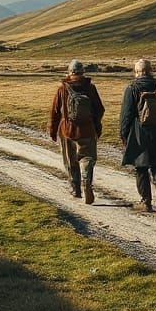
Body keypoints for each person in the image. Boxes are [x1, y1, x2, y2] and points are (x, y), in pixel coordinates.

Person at [119, 58, 156, 213]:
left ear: (136, 72)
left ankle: (146, 202)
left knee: (141, 167)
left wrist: (123, 133)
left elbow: (127, 114)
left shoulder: (132, 87)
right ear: (151, 71)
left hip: (139, 132)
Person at [49, 59, 105, 204]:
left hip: (67, 130)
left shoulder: (62, 89)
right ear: (82, 72)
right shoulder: (90, 88)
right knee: (87, 158)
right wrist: (96, 126)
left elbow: (55, 112)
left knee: (70, 160)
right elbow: (99, 109)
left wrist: (53, 131)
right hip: (87, 130)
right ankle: (87, 180)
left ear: (69, 72)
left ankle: (76, 189)